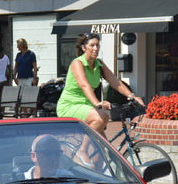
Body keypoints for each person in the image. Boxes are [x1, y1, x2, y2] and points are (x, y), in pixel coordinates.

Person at [57, 33, 144, 167]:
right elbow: (84, 85)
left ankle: (98, 179)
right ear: (84, 48)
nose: (95, 48)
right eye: (92, 45)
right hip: (70, 105)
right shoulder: (77, 63)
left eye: (97, 45)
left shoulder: (99, 64)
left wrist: (131, 96)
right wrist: (97, 103)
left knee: (105, 150)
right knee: (102, 116)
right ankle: (83, 150)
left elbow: (115, 82)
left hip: (87, 107)